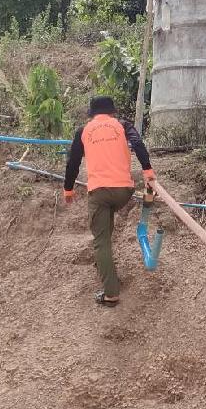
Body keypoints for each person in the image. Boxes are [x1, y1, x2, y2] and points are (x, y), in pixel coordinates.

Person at [63, 96, 156, 307]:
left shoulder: (83, 131)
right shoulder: (122, 125)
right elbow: (138, 144)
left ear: (91, 114)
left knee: (101, 241)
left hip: (99, 192)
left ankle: (111, 293)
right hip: (124, 191)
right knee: (105, 226)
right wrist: (147, 169)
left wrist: (68, 189)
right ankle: (104, 266)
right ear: (112, 112)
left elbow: (73, 162)